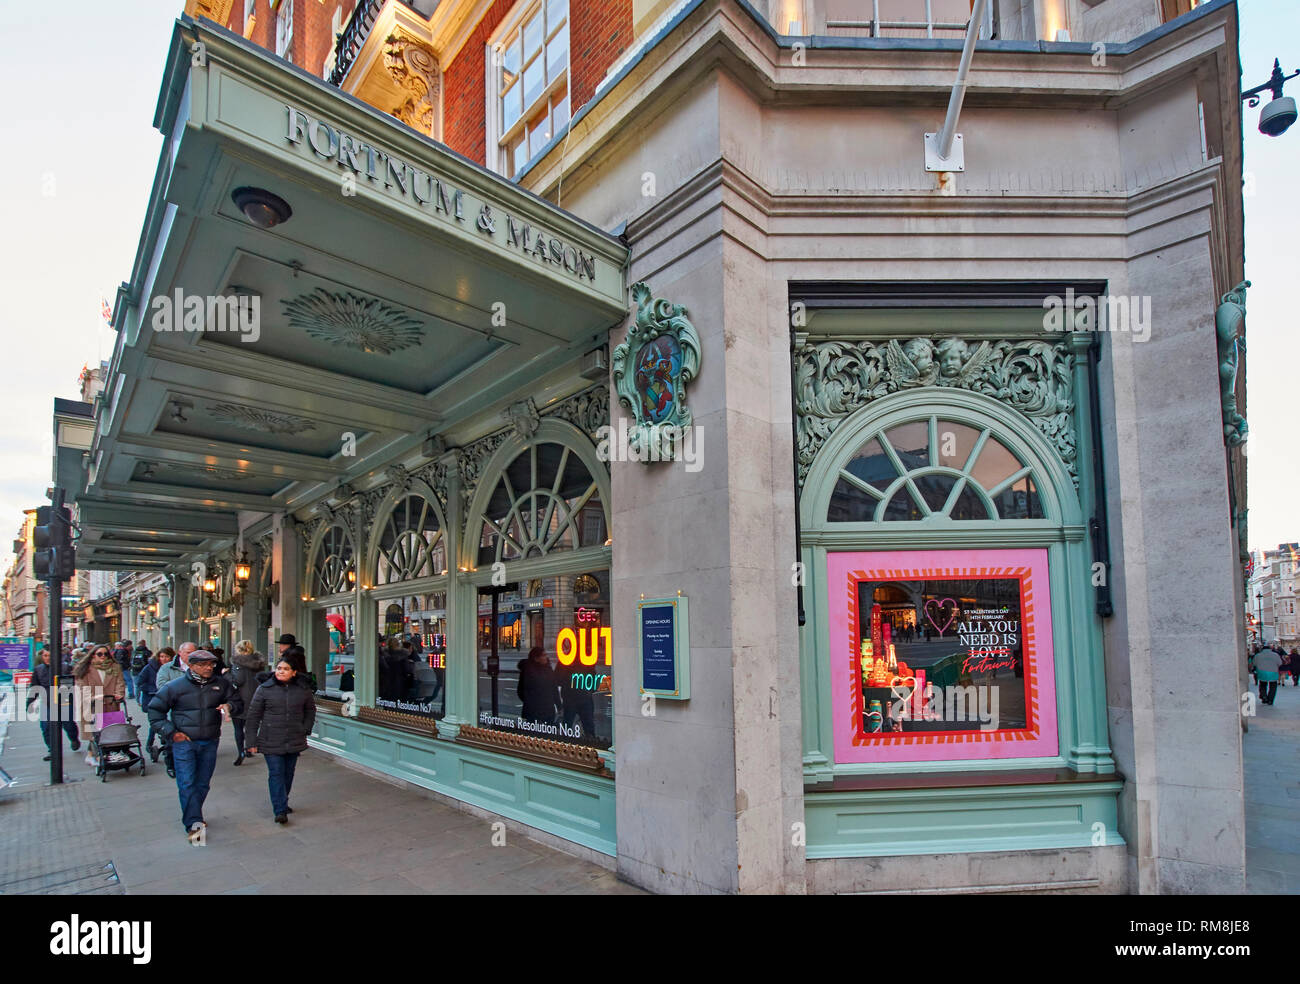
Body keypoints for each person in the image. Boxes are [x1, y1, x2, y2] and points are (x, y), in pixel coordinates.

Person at [148, 650, 241, 843]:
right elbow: (155, 711)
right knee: (187, 783)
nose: (209, 668)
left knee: (202, 783)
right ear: (191, 666)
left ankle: (193, 813)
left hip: (210, 740)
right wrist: (172, 733)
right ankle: (194, 824)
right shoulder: (175, 687)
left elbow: (237, 701)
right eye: (204, 664)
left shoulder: (221, 684)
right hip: (185, 743)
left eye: (211, 664)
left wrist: (229, 706)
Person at [245, 656, 317, 824]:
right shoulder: (264, 689)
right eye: (279, 668)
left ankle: (283, 800)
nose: (281, 671)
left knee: (288, 773)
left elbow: (310, 711)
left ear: (294, 672)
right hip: (270, 738)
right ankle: (280, 809)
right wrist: (251, 741)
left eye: (285, 669)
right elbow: (253, 716)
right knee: (276, 773)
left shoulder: (302, 690)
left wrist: (305, 728)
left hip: (294, 737)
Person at [73, 645, 127, 769]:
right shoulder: (85, 669)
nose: (103, 656)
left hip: (110, 703)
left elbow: (120, 682)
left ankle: (94, 754)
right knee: (94, 732)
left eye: (106, 654)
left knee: (107, 731)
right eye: (100, 654)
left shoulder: (114, 667)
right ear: (93, 655)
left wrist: (119, 694)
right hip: (92, 705)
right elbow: (82, 686)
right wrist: (93, 697)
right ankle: (95, 756)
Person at [25, 647, 81, 761]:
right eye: (45, 656)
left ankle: (74, 738)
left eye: (50, 655)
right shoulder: (38, 669)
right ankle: (52, 750)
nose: (47, 658)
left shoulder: (65, 667)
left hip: (64, 702)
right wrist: (29, 703)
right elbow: (34, 688)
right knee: (46, 727)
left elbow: (72, 684)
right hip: (47, 702)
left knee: (68, 724)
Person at [228, 640, 267, 766]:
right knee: (251, 726)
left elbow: (237, 681)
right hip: (256, 699)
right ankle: (250, 747)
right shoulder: (259, 664)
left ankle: (241, 752)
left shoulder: (238, 663)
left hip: (240, 700)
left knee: (238, 728)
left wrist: (226, 674)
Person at [136, 647, 170, 760]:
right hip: (153, 699)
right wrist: (153, 689)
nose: (164, 659)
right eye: (162, 656)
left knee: (167, 722)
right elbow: (140, 682)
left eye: (166, 656)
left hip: (168, 700)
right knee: (155, 723)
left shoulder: (172, 668)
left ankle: (166, 744)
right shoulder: (150, 667)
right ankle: (149, 744)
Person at [517, 646, 558, 725]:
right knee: (534, 733)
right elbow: (521, 690)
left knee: (547, 733)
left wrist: (558, 705)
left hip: (548, 709)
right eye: (543, 655)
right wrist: (530, 702)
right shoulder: (528, 670)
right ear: (536, 658)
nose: (546, 657)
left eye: (546, 655)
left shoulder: (548, 668)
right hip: (534, 711)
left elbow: (554, 688)